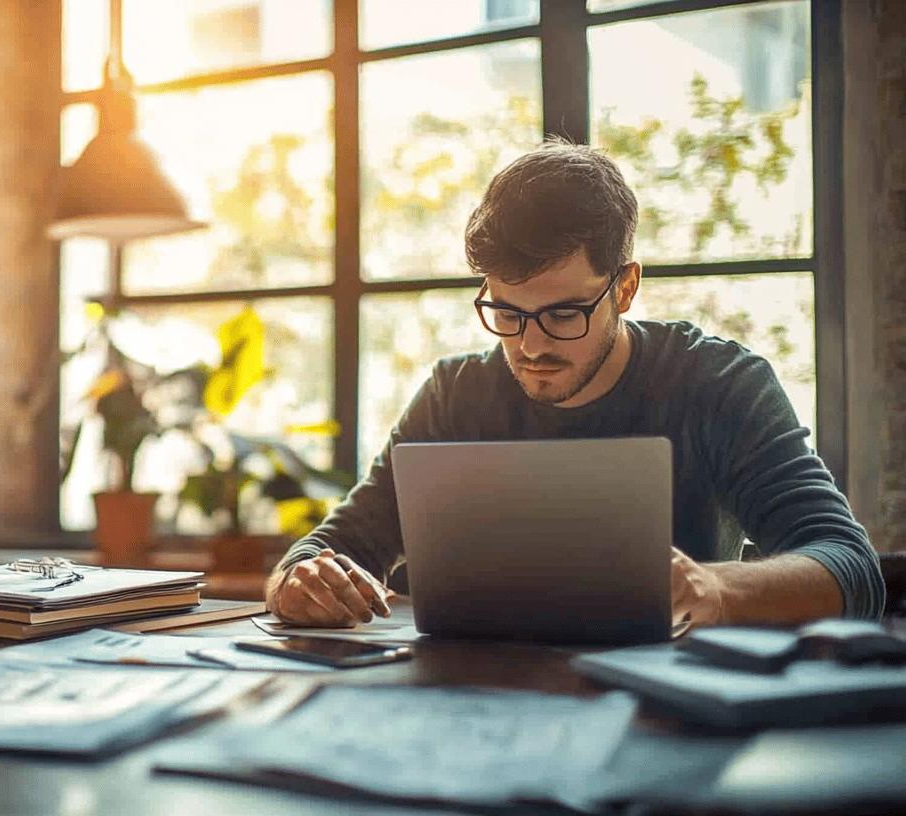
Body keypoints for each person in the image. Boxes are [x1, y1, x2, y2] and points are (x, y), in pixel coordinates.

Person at [267, 140, 885, 629]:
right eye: (507, 314)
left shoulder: (717, 383)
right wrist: (298, 581)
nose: (531, 345)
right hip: (470, 696)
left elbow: (853, 570)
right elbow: (328, 550)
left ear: (624, 288)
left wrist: (714, 587)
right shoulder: (453, 394)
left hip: (657, 706)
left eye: (563, 314)